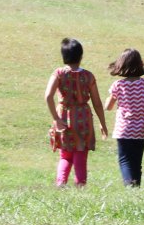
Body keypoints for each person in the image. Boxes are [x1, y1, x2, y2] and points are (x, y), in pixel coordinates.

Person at [44, 37, 108, 186]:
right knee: (80, 152)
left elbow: (48, 96)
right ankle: (80, 185)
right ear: (81, 56)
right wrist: (102, 124)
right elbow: (97, 103)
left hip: (64, 115)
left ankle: (61, 183)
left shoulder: (59, 74)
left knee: (65, 155)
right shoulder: (88, 76)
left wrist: (56, 119)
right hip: (83, 118)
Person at [106, 48, 144, 186]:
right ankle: (136, 187)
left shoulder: (118, 85)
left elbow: (108, 107)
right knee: (137, 161)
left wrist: (109, 99)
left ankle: (129, 185)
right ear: (140, 64)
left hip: (124, 129)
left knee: (125, 160)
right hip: (141, 129)